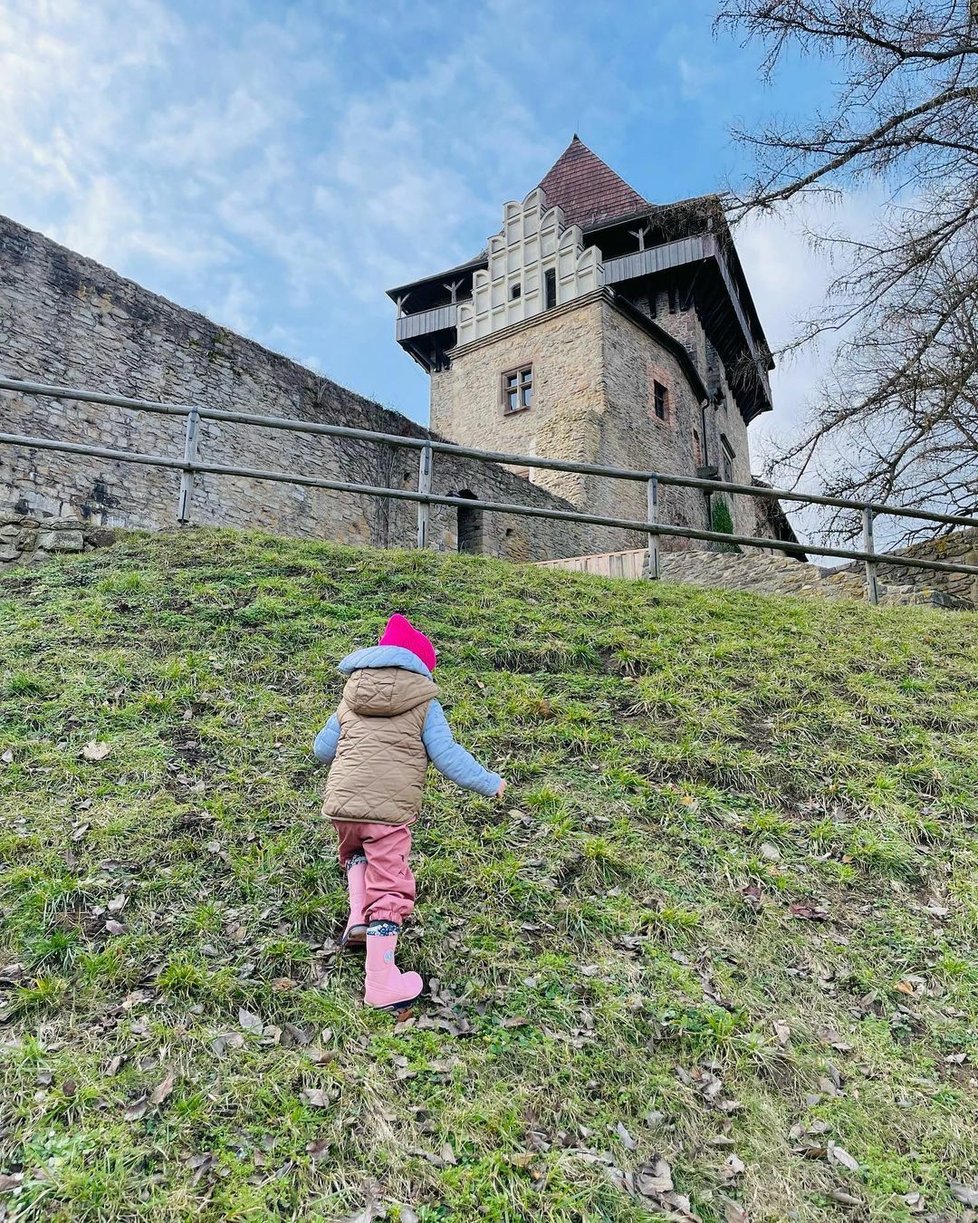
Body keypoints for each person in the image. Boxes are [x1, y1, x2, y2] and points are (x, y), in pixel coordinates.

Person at [313, 613, 507, 1015]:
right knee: (391, 887)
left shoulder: (350, 697)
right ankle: (381, 981)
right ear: (420, 665)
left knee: (356, 854)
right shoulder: (423, 702)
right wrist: (489, 782)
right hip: (388, 810)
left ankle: (356, 919)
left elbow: (321, 750)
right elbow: (448, 756)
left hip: (343, 804)